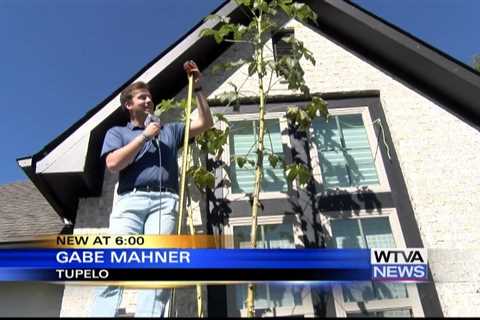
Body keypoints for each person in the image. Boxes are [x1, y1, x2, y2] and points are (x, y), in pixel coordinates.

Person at [91, 60, 213, 317]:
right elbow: (113, 163)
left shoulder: (170, 131)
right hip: (130, 203)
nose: (149, 101)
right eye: (142, 97)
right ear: (129, 105)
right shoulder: (117, 133)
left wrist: (198, 88)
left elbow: (205, 123)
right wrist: (145, 135)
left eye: (150, 97)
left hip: (164, 202)